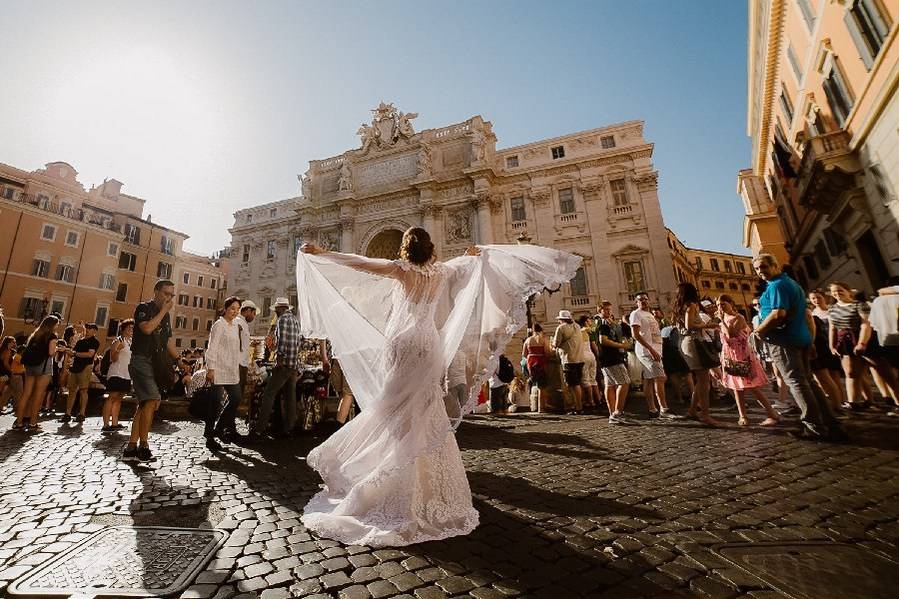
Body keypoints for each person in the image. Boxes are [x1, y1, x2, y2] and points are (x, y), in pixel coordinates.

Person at [296, 227, 580, 546]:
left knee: (392, 408)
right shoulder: (440, 272)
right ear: (430, 248)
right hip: (430, 343)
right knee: (426, 406)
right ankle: (423, 479)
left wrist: (323, 254)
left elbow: (360, 263)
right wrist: (473, 255)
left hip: (403, 343)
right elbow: (464, 264)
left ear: (405, 249)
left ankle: (366, 464)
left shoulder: (400, 270)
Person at [753, 254, 846, 441]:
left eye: (763, 267)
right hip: (799, 339)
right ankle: (829, 422)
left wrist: (758, 331)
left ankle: (814, 427)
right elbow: (805, 316)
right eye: (757, 269)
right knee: (808, 382)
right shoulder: (791, 284)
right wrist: (810, 341)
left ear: (775, 265)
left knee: (797, 383)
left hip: (785, 341)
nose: (760, 272)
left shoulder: (778, 285)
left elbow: (778, 314)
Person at [123, 279, 180, 462]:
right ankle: (143, 446)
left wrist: (180, 360)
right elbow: (146, 329)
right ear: (156, 291)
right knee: (152, 399)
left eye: (171, 295)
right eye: (166, 293)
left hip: (156, 363)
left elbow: (168, 341)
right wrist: (164, 311)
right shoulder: (144, 308)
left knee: (145, 403)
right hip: (141, 360)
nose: (168, 297)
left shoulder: (167, 316)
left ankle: (131, 447)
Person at [828, 281, 899, 411]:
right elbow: (832, 328)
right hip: (845, 341)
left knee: (884, 371)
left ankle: (897, 400)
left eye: (840, 290)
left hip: (864, 339)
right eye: (834, 291)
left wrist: (862, 343)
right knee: (851, 373)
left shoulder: (860, 305)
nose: (837, 293)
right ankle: (853, 402)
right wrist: (832, 345)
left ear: (848, 291)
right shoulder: (832, 308)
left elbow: (865, 325)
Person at [716, 295, 779, 426]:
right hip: (730, 356)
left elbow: (731, 334)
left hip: (743, 356)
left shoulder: (739, 317)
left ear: (731, 303)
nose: (720, 307)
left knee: (753, 387)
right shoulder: (723, 319)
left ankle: (771, 412)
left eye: (723, 304)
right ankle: (742, 415)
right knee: (736, 388)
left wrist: (721, 321)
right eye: (718, 305)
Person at [250, 297, 300, 440]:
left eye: (276, 310)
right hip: (293, 364)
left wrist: (280, 359)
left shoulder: (282, 320)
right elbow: (298, 341)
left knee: (268, 394)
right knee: (290, 397)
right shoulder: (295, 320)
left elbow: (283, 341)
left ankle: (259, 429)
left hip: (284, 364)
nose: (275, 312)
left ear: (280, 309)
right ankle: (289, 429)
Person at [675, 283, 721, 426]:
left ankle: (693, 410)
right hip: (694, 342)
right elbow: (690, 326)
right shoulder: (691, 306)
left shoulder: (680, 307)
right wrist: (709, 325)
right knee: (704, 380)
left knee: (701, 380)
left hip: (686, 342)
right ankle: (705, 415)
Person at [204, 296, 245, 452]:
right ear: (226, 308)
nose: (235, 312)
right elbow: (212, 347)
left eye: (237, 309)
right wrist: (211, 368)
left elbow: (235, 348)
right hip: (218, 369)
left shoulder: (235, 325)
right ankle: (209, 436)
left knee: (236, 398)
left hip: (231, 369)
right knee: (215, 404)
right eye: (233, 308)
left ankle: (220, 428)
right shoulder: (219, 325)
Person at [630, 293, 678, 419]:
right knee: (660, 377)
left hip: (657, 349)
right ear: (636, 302)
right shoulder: (636, 314)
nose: (643, 301)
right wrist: (651, 349)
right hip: (647, 351)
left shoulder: (650, 314)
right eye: (640, 300)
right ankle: (664, 409)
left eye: (645, 299)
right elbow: (635, 335)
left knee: (649, 379)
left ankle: (652, 409)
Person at [16, 315, 60, 432]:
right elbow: (51, 353)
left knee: (26, 394)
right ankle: (33, 423)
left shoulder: (35, 335)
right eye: (57, 324)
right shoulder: (52, 336)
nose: (58, 326)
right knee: (38, 395)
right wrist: (57, 349)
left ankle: (18, 423)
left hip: (30, 366)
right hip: (43, 367)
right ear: (52, 325)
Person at [808, 289, 847, 413]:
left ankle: (842, 401)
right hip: (823, 345)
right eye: (813, 298)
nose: (816, 300)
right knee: (825, 376)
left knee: (834, 375)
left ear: (824, 297)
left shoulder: (832, 310)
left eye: (818, 297)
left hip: (832, 344)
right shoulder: (813, 312)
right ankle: (835, 401)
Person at [596, 301, 633, 424]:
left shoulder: (607, 322)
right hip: (610, 357)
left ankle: (612, 413)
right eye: (605, 309)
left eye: (609, 309)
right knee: (624, 382)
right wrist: (621, 345)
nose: (608, 311)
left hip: (606, 357)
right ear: (600, 310)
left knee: (610, 384)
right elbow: (603, 340)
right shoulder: (602, 323)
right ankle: (618, 412)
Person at [62, 323, 101, 424]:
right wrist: (67, 350)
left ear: (95, 331)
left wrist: (74, 353)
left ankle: (82, 413)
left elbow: (90, 354)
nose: (87, 330)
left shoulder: (94, 341)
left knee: (83, 390)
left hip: (85, 367)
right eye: (87, 328)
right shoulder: (80, 341)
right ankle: (68, 413)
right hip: (75, 367)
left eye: (90, 328)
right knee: (71, 391)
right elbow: (73, 353)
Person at [103, 319, 134, 433]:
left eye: (132, 328)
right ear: (123, 329)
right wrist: (118, 350)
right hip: (116, 373)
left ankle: (115, 423)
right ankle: (106, 424)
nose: (131, 330)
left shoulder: (130, 342)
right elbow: (113, 358)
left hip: (126, 374)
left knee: (119, 398)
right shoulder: (118, 340)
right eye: (129, 328)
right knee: (112, 397)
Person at [552, 310, 584, 414]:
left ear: (561, 320)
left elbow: (555, 344)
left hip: (568, 359)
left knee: (571, 384)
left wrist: (552, 345)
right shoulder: (577, 326)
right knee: (577, 383)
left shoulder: (561, 328)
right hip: (580, 358)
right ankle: (579, 406)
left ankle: (575, 407)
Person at [522, 323, 551, 412]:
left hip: (531, 362)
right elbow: (547, 352)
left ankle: (533, 406)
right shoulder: (543, 339)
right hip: (541, 361)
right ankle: (541, 407)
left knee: (534, 382)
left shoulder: (528, 340)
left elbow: (524, 354)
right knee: (542, 386)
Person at [576, 315, 601, 412]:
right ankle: (598, 398)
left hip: (584, 357)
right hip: (591, 356)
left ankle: (590, 401)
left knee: (586, 380)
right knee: (593, 379)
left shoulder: (580, 332)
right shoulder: (587, 331)